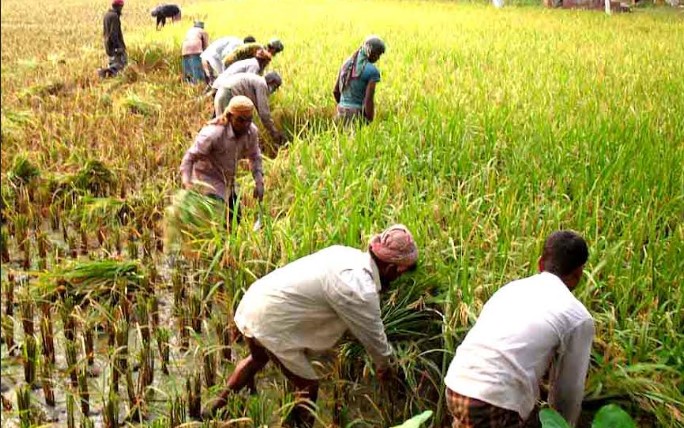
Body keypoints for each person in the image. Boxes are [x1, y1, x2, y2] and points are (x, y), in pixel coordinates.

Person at [203, 224, 419, 426]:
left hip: (256, 299)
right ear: (391, 268)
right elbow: (374, 338)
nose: (399, 278)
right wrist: (385, 367)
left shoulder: (345, 254)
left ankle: (212, 410)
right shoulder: (359, 288)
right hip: (269, 320)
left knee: (257, 359)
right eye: (401, 272)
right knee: (308, 387)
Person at [444, 230, 594, 427]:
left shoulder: (510, 289)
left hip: (456, 386)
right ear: (578, 274)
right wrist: (562, 424)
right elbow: (568, 391)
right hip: (492, 401)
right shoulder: (577, 317)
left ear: (540, 263)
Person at [179, 96, 263, 225]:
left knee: (235, 219)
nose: (245, 125)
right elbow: (189, 158)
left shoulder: (251, 132)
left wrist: (259, 181)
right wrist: (187, 184)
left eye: (249, 120)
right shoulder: (213, 134)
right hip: (207, 181)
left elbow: (255, 156)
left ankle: (229, 244)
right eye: (240, 120)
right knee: (215, 221)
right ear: (230, 116)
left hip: (227, 181)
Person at [213, 72, 285, 145]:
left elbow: (259, 109)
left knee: (223, 128)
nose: (274, 90)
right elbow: (264, 114)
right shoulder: (262, 84)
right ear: (271, 82)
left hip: (222, 93)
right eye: (275, 87)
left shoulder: (256, 80)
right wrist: (274, 132)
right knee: (227, 130)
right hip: (228, 95)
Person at [333, 35, 386, 124]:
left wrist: (344, 106)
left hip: (339, 113)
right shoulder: (372, 71)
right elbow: (368, 100)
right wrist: (369, 119)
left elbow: (335, 91)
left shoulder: (346, 64)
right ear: (371, 52)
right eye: (378, 54)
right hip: (356, 116)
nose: (378, 58)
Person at [99, 0, 127, 78]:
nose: (122, 9)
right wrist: (118, 47)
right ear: (119, 7)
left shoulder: (107, 15)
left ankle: (105, 75)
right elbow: (114, 34)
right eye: (121, 7)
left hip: (108, 45)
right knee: (120, 64)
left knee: (113, 63)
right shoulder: (114, 16)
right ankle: (102, 72)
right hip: (114, 46)